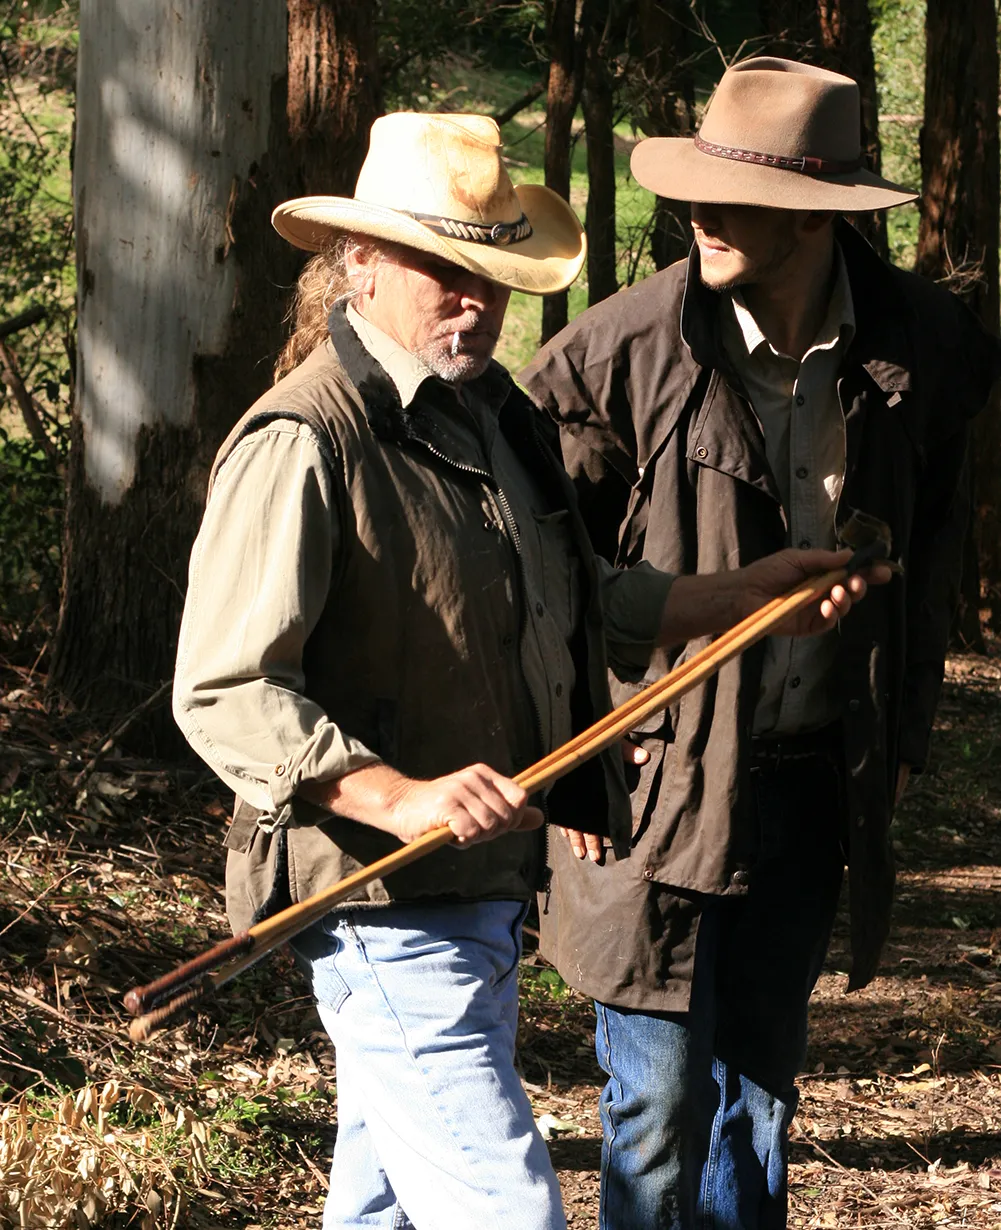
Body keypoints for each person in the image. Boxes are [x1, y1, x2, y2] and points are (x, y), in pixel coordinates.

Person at [173, 110, 876, 1230]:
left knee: (382, 1207)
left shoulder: (490, 418)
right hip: (378, 902)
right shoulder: (305, 438)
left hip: (480, 894)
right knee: (507, 1209)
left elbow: (580, 605)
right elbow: (224, 690)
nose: (475, 301)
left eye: (492, 275)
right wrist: (395, 795)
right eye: (443, 270)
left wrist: (739, 594)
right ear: (358, 263)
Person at [521, 58, 1001, 1230]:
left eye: (731, 192)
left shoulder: (921, 346)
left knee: (755, 1099)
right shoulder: (610, 354)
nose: (698, 212)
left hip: (809, 778)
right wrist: (574, 742)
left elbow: (932, 558)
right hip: (644, 781)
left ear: (816, 210)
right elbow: (532, 577)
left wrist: (901, 732)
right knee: (652, 1111)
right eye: (697, 186)